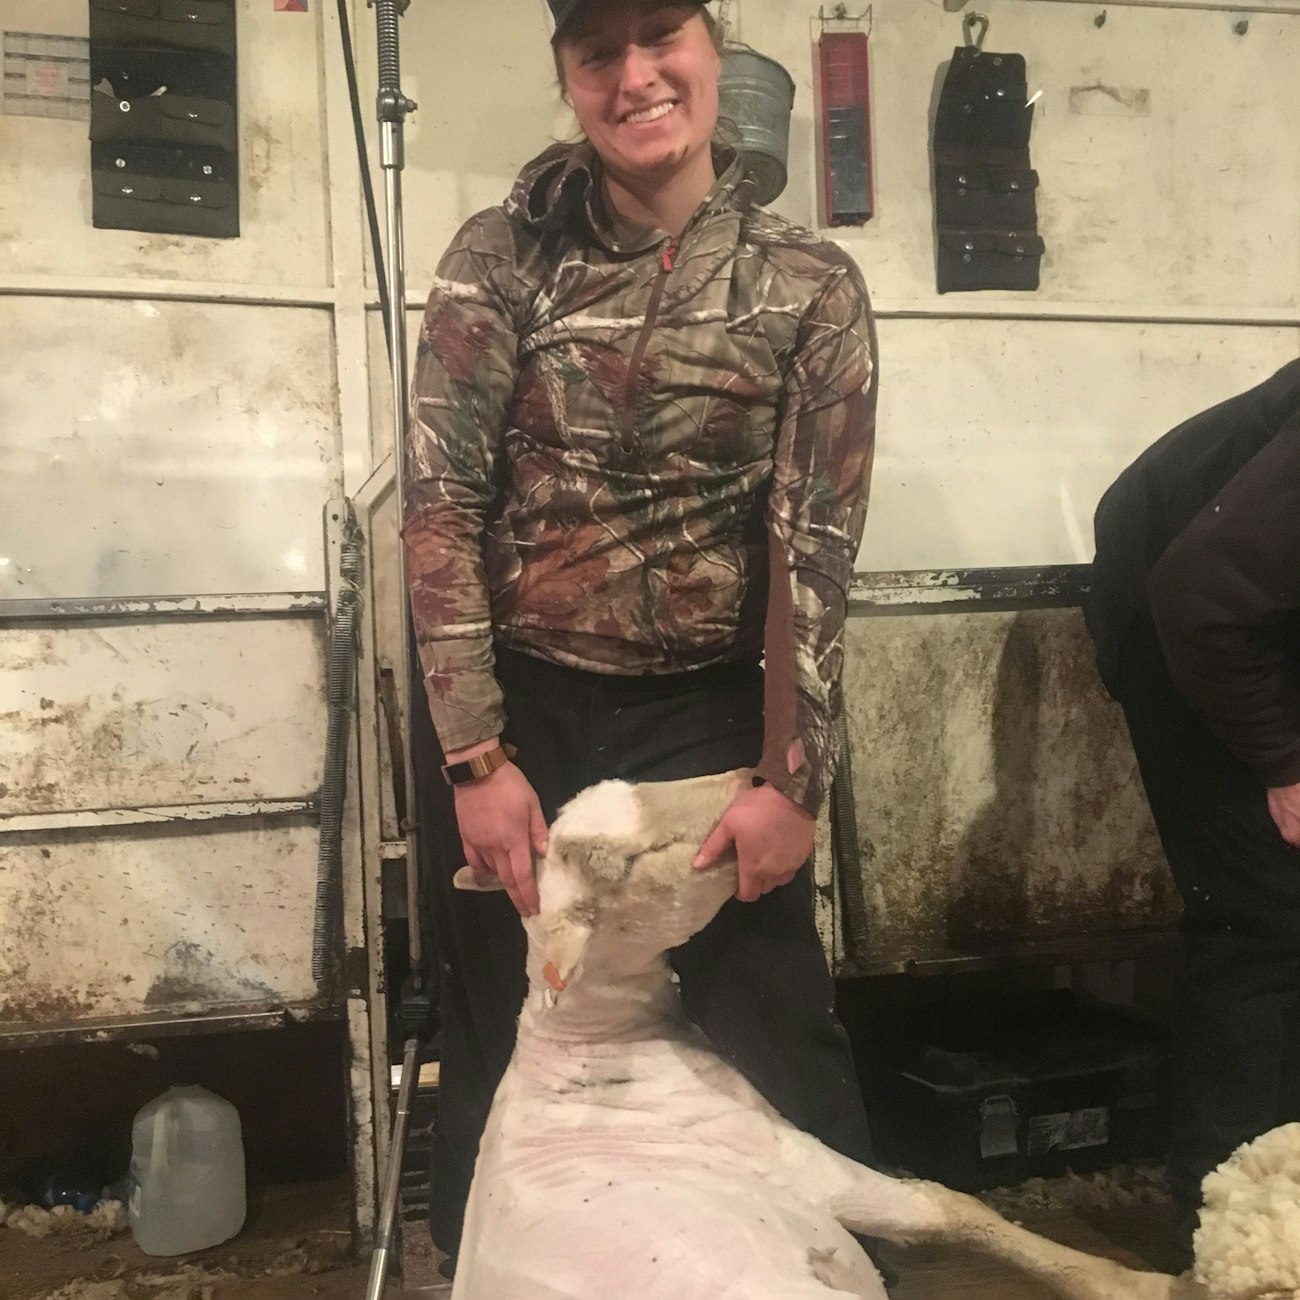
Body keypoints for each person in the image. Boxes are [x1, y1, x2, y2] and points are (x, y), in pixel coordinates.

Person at [402, 0, 880, 1275]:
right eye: (597, 54)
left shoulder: (809, 285)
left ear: (714, 48)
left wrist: (791, 778)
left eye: (659, 38)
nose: (635, 78)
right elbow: (440, 501)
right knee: (503, 1028)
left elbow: (815, 546)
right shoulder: (500, 255)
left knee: (776, 1019)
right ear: (566, 77)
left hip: (706, 718)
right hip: (519, 708)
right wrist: (473, 757)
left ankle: (848, 1270)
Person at [1084, 358, 1300, 1265]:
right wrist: (1284, 762)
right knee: (1271, 918)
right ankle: (1231, 1241)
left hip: (1255, 602)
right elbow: (1201, 597)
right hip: (1188, 613)